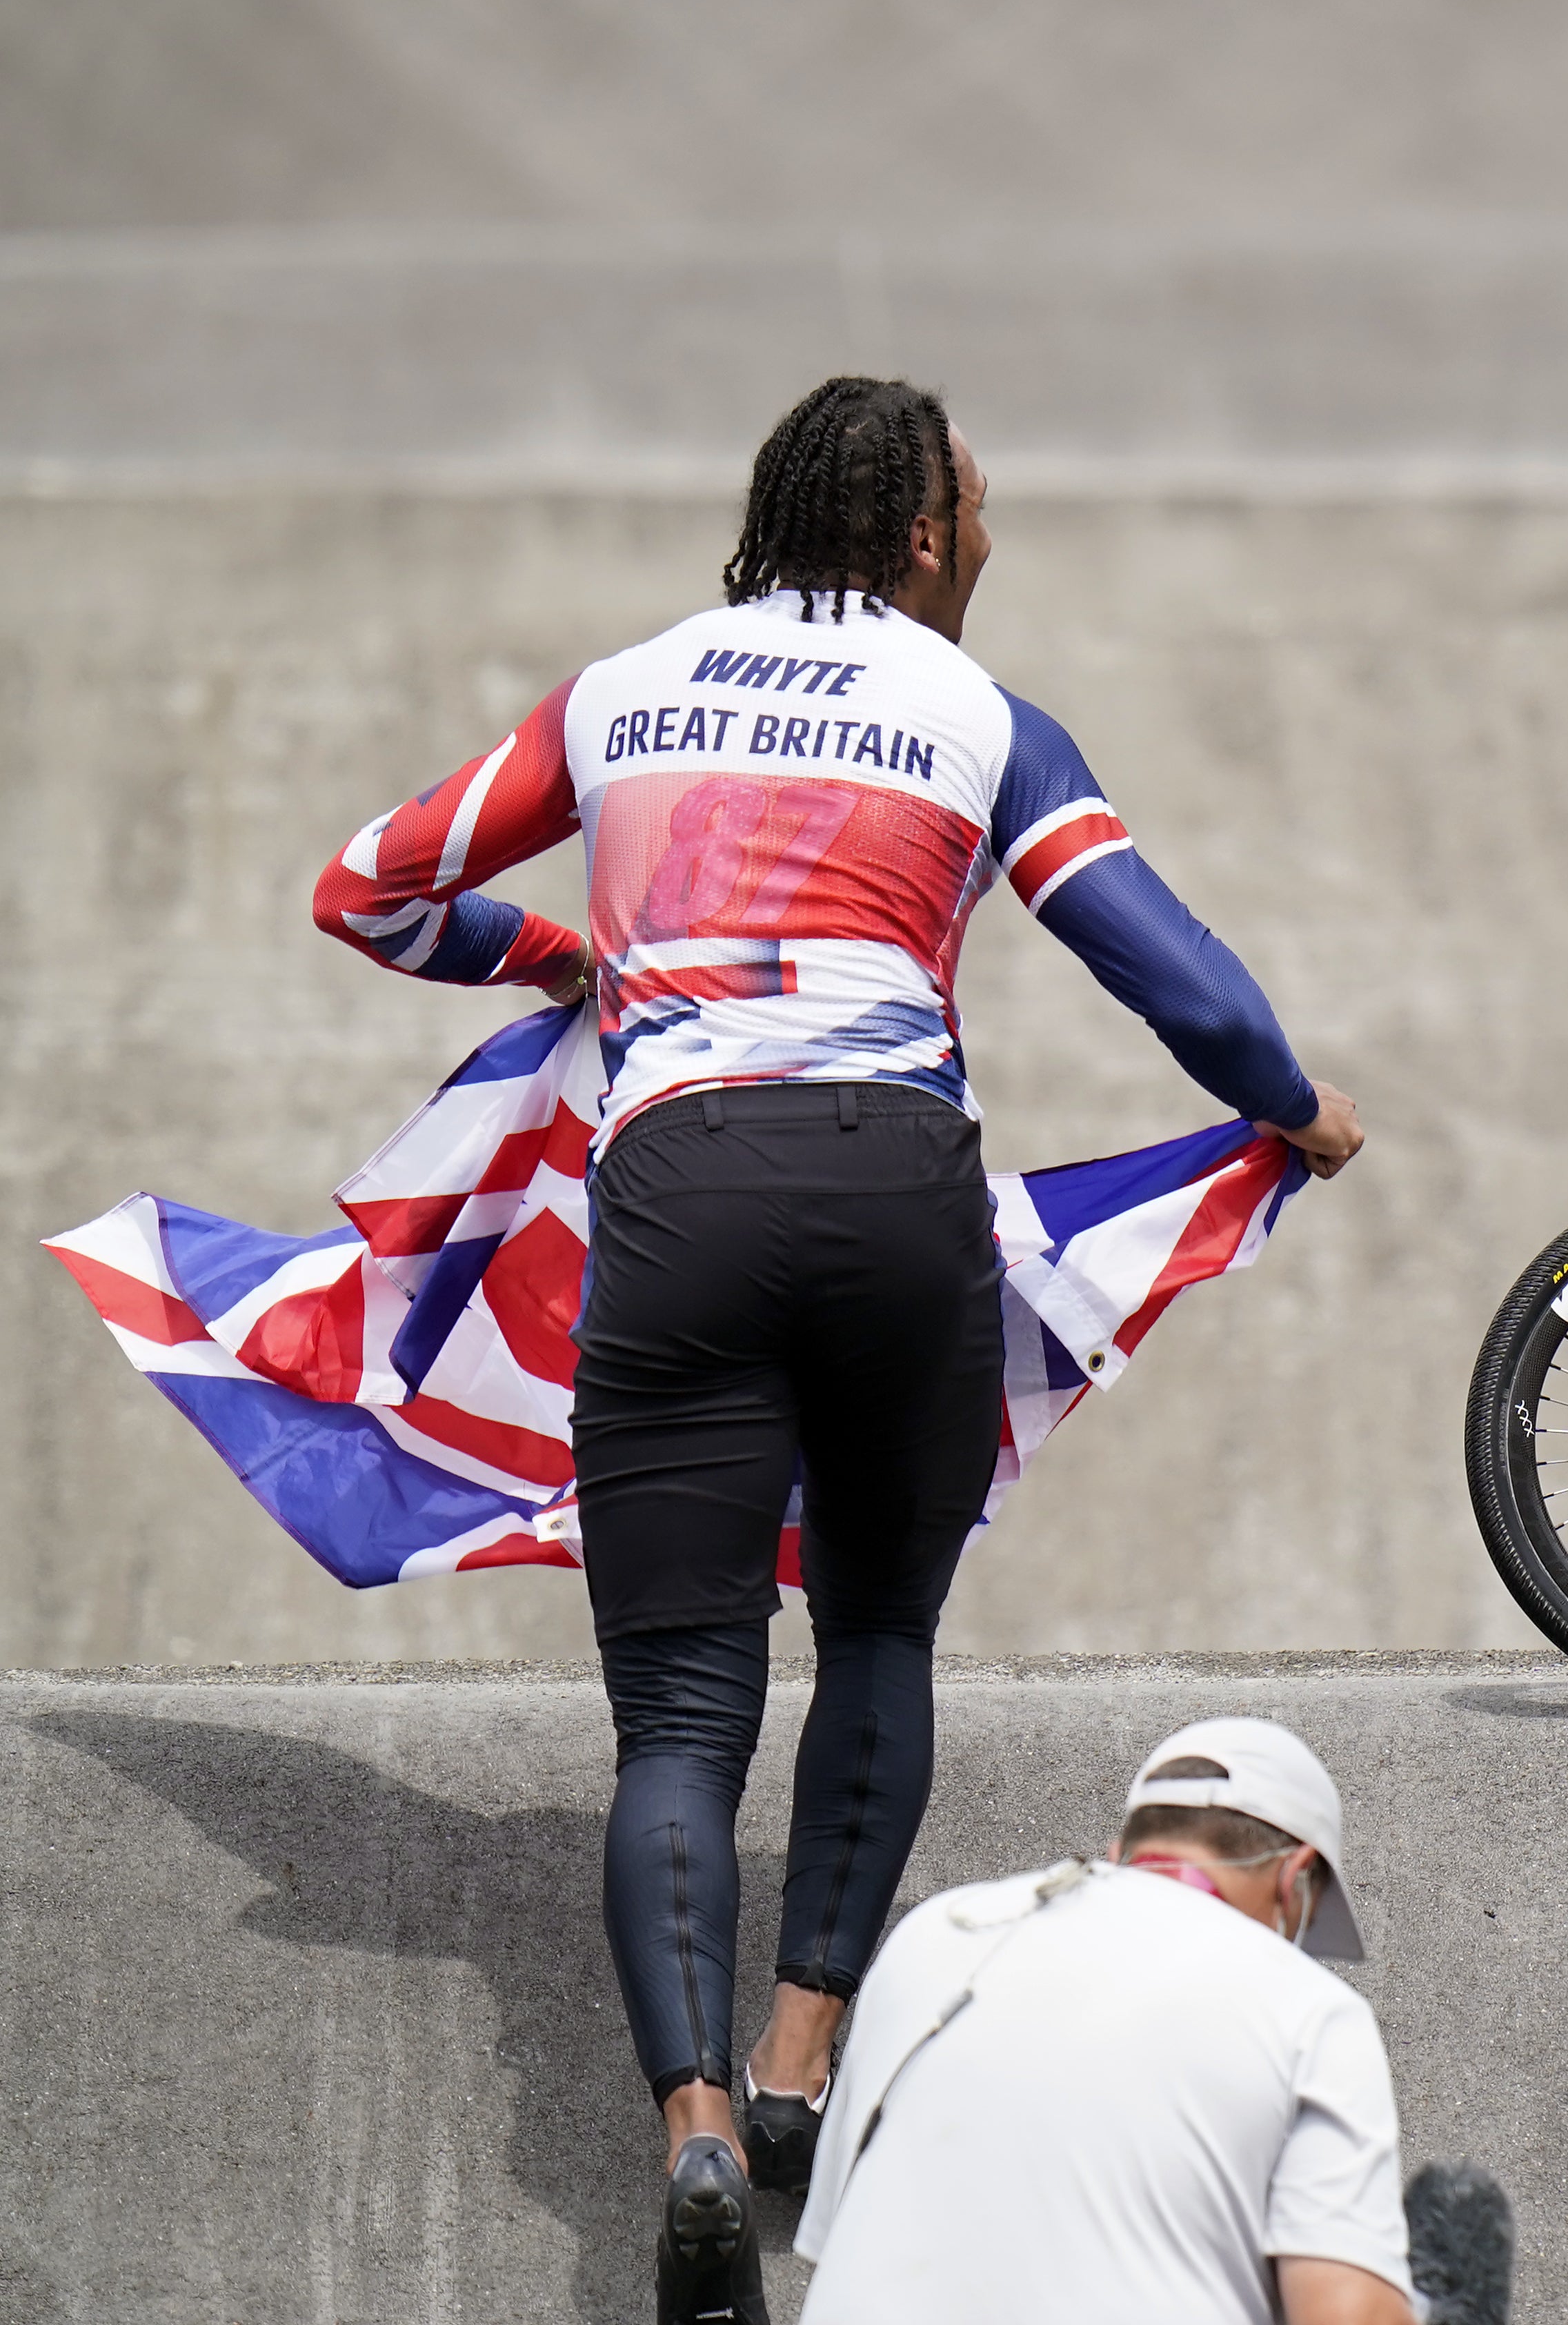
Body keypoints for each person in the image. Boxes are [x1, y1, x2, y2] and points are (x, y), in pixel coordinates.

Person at [312, 377, 1367, 2325]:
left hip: (681, 1198)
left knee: (683, 1717)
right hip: (897, 1197)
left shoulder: (620, 694)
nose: (988, 550)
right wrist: (1296, 1106)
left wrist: (560, 962)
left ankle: (697, 2123)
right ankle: (808, 2057)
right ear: (919, 537)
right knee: (877, 1637)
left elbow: (365, 886)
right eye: (980, 520)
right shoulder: (986, 723)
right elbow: (1171, 973)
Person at [794, 1716, 1418, 2325]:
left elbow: (840, 2244)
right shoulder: (1311, 2009)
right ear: (1294, 1880)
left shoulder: (933, 1933)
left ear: (1121, 1853)